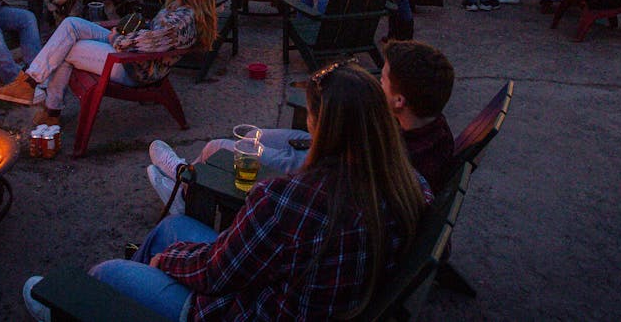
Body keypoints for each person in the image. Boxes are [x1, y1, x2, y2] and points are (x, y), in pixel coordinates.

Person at [25, 61, 428, 322]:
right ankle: (140, 286)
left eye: (310, 117)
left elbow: (216, 273)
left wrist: (170, 262)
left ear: (322, 126)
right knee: (175, 225)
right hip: (311, 291)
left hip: (250, 311)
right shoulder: (409, 184)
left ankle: (86, 305)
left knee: (108, 271)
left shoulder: (290, 199)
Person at [147, 39, 456, 211]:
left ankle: (185, 187)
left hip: (321, 163)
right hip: (325, 144)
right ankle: (189, 178)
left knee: (219, 148)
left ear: (400, 100)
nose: (377, 82)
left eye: (383, 79)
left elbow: (353, 175)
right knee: (254, 135)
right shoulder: (428, 126)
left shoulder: (404, 160)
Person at [0, 0, 218, 126]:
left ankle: (48, 105)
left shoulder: (183, 19)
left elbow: (149, 43)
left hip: (136, 68)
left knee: (67, 47)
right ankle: (30, 82)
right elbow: (152, 35)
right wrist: (123, 32)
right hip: (132, 51)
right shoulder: (181, 4)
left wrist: (117, 39)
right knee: (71, 25)